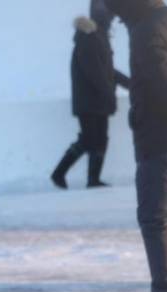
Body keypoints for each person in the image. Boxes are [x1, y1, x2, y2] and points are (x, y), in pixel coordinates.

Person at [105, 0, 167, 292]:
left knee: (154, 217)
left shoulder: (147, 30)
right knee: (164, 212)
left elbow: (164, 90)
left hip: (165, 137)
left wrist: (140, 116)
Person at [51, 2, 130, 189]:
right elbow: (95, 71)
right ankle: (59, 173)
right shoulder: (89, 37)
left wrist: (130, 84)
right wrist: (108, 92)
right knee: (89, 139)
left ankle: (93, 179)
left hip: (97, 100)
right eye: (110, 17)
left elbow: (107, 70)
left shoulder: (99, 37)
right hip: (89, 100)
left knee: (100, 138)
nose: (112, 21)